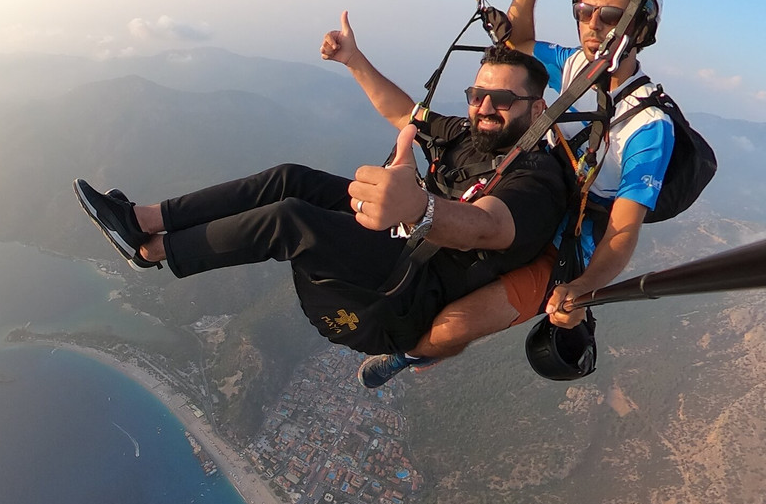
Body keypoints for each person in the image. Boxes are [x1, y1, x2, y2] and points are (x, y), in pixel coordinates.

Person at [74, 44, 571, 368]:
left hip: (407, 293)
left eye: (501, 100)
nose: (483, 108)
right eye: (477, 94)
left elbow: (488, 227)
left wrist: (420, 207)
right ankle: (141, 221)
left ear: (537, 109)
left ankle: (155, 253)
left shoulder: (536, 180)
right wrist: (353, 59)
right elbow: (404, 112)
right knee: (290, 179)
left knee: (290, 220)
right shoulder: (467, 134)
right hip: (395, 241)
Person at [355, 0, 675, 387]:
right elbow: (520, 42)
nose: (593, 26)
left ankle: (407, 357)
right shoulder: (570, 67)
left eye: (610, 17)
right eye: (584, 12)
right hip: (521, 198)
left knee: (453, 327)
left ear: (640, 28)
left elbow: (622, 233)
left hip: (562, 249)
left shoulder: (647, 125)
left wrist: (582, 289)